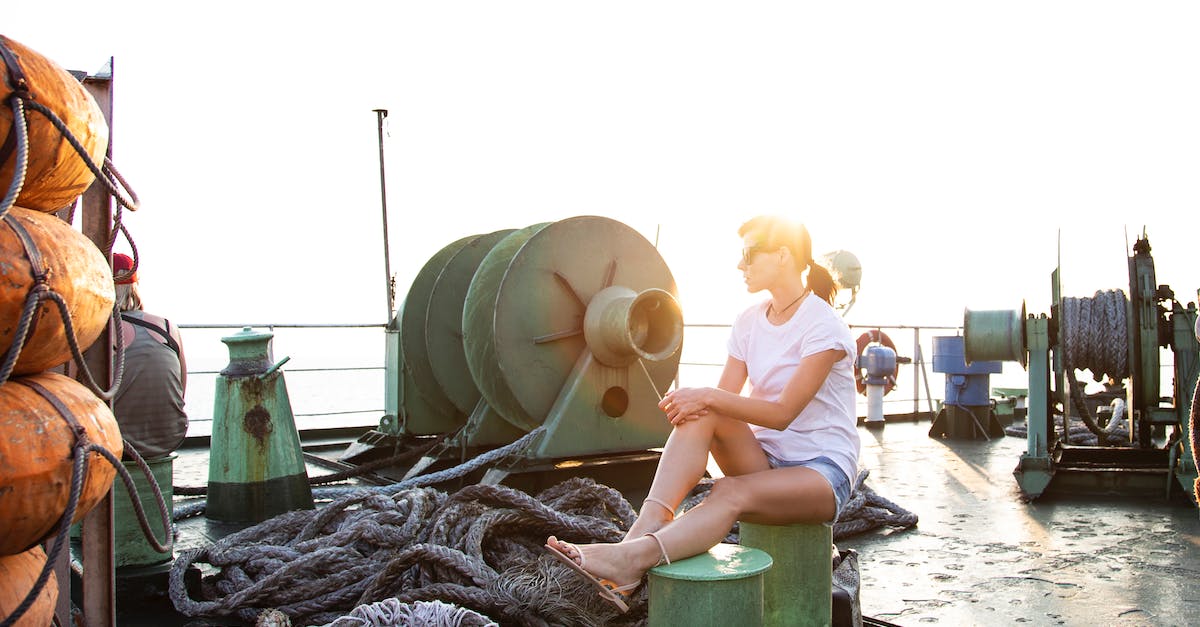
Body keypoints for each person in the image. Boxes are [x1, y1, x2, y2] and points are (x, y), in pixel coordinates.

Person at [546, 215, 860, 612]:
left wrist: (705, 396)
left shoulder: (824, 326)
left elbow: (782, 414)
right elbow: (722, 401)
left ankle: (632, 559)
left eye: (749, 254)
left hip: (821, 472)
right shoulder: (749, 321)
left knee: (728, 490)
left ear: (783, 255)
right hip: (765, 461)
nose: (740, 265)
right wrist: (693, 404)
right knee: (700, 414)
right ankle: (641, 532)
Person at [112, 252, 189, 460]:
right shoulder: (168, 327)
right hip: (170, 435)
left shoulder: (100, 331)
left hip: (117, 444)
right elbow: (181, 389)